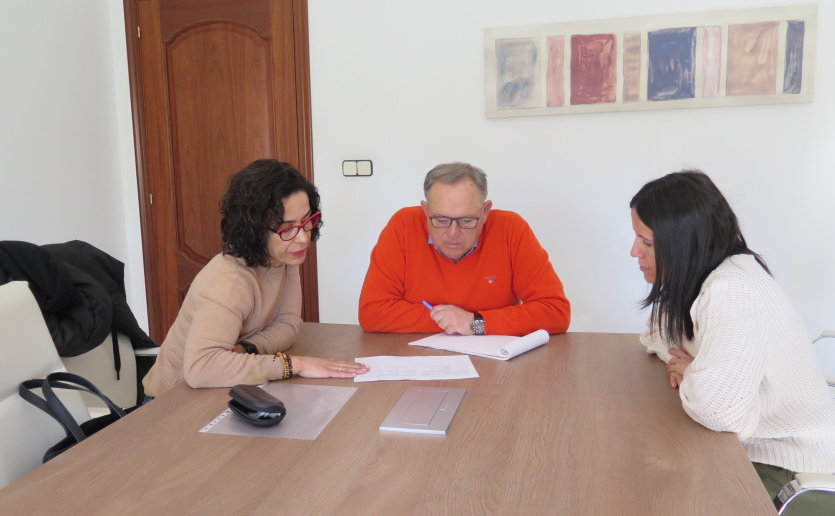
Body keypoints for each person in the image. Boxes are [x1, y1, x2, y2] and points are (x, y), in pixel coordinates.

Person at [629, 169, 835, 516]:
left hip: (804, 487)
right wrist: (701, 370)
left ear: (683, 243)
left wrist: (696, 371)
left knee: (655, 510)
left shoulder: (733, 289)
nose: (634, 252)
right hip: (771, 463)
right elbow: (656, 334)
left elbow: (721, 413)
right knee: (648, 479)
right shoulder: (714, 276)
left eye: (646, 242)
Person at [143, 159, 367, 397]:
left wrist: (246, 349)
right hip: (171, 401)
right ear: (255, 230)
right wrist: (294, 365)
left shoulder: (283, 258)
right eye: (286, 228)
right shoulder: (229, 280)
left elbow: (288, 325)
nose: (302, 238)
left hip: (222, 388)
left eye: (306, 221)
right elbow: (201, 368)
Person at [358, 162, 570, 336]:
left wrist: (475, 323)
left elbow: (555, 312)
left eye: (467, 220)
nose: (452, 233)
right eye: (440, 219)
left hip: (496, 368)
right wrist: (453, 321)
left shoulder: (511, 228)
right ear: (425, 210)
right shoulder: (403, 226)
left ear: (485, 211)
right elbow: (372, 312)